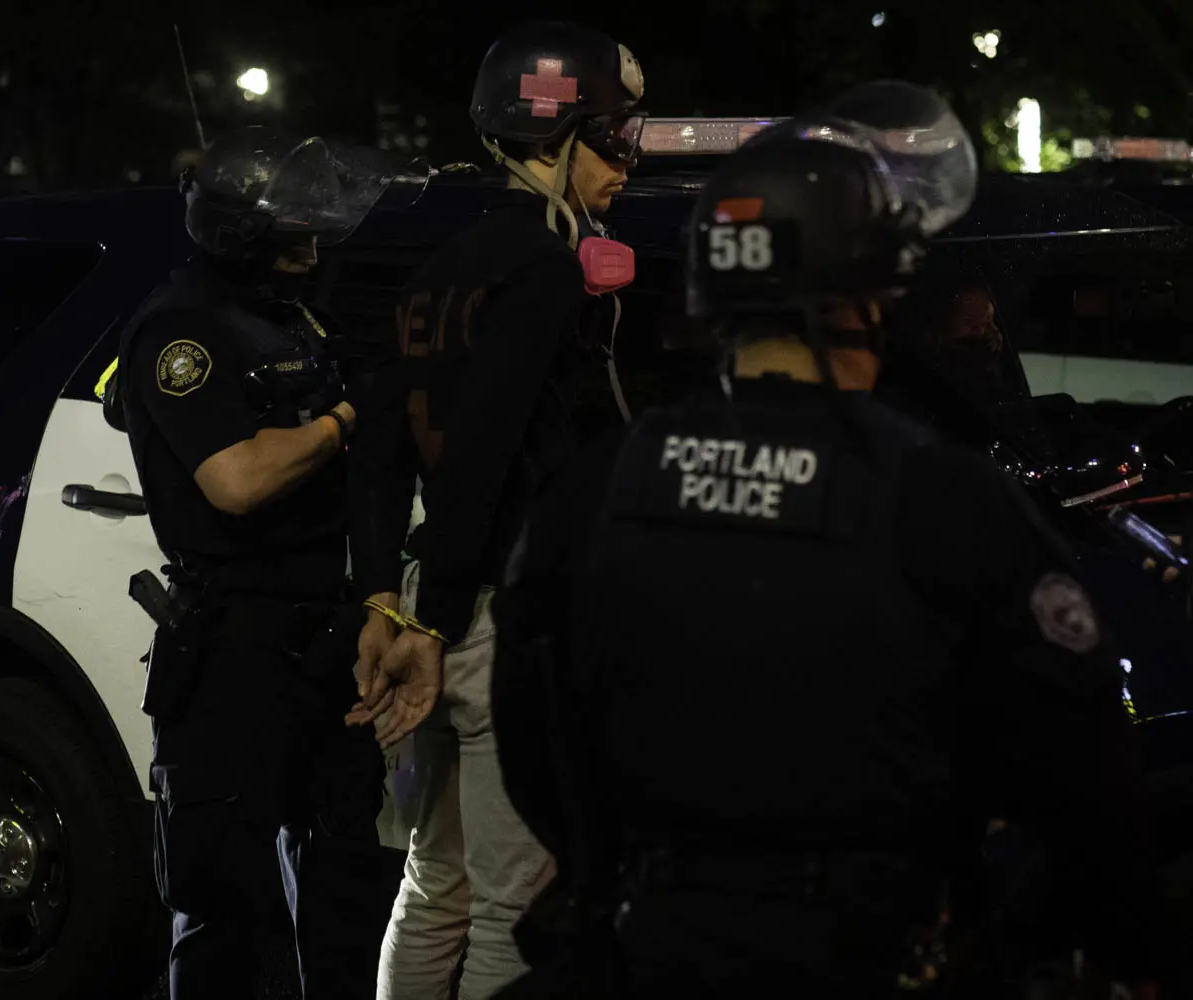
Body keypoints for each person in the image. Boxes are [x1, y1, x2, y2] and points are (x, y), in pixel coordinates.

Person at [489, 81, 1168, 997]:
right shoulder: (941, 495)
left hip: (651, 945)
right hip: (878, 951)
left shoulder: (599, 484)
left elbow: (531, 734)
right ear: (878, 289)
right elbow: (1084, 775)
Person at [344, 20, 646, 999]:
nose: (627, 164)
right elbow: (484, 462)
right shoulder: (550, 271)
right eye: (613, 137)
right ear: (553, 139)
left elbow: (383, 455)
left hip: (441, 591)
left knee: (438, 879)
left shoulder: (436, 271)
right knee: (517, 896)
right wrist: (428, 627)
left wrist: (386, 600)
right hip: (500, 611)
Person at [112, 126, 407, 1000]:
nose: (313, 248)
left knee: (342, 886)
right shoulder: (183, 334)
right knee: (225, 909)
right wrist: (345, 422)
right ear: (245, 236)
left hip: (323, 636)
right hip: (235, 648)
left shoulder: (294, 318)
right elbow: (236, 480)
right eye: (296, 234)